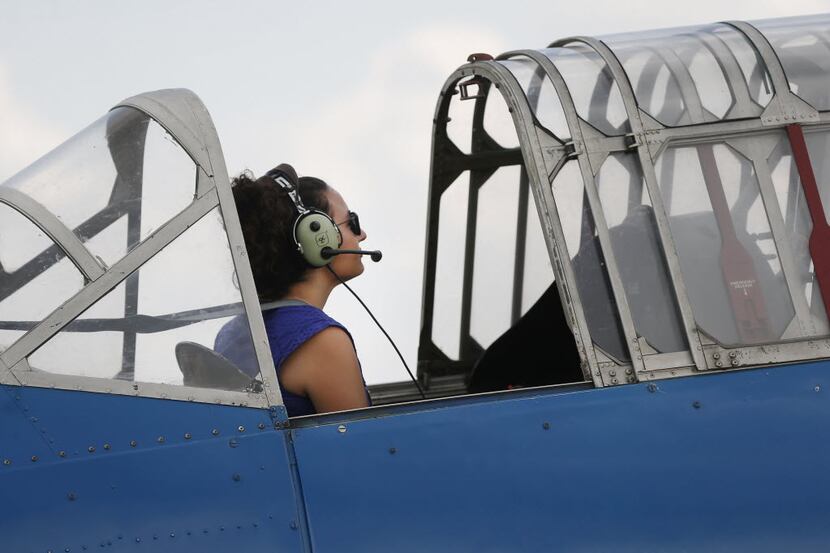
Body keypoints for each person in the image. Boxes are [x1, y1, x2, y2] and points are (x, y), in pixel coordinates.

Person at [215, 164, 372, 417]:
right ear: (317, 234)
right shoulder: (323, 342)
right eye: (351, 222)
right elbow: (361, 451)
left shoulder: (231, 334)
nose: (362, 234)